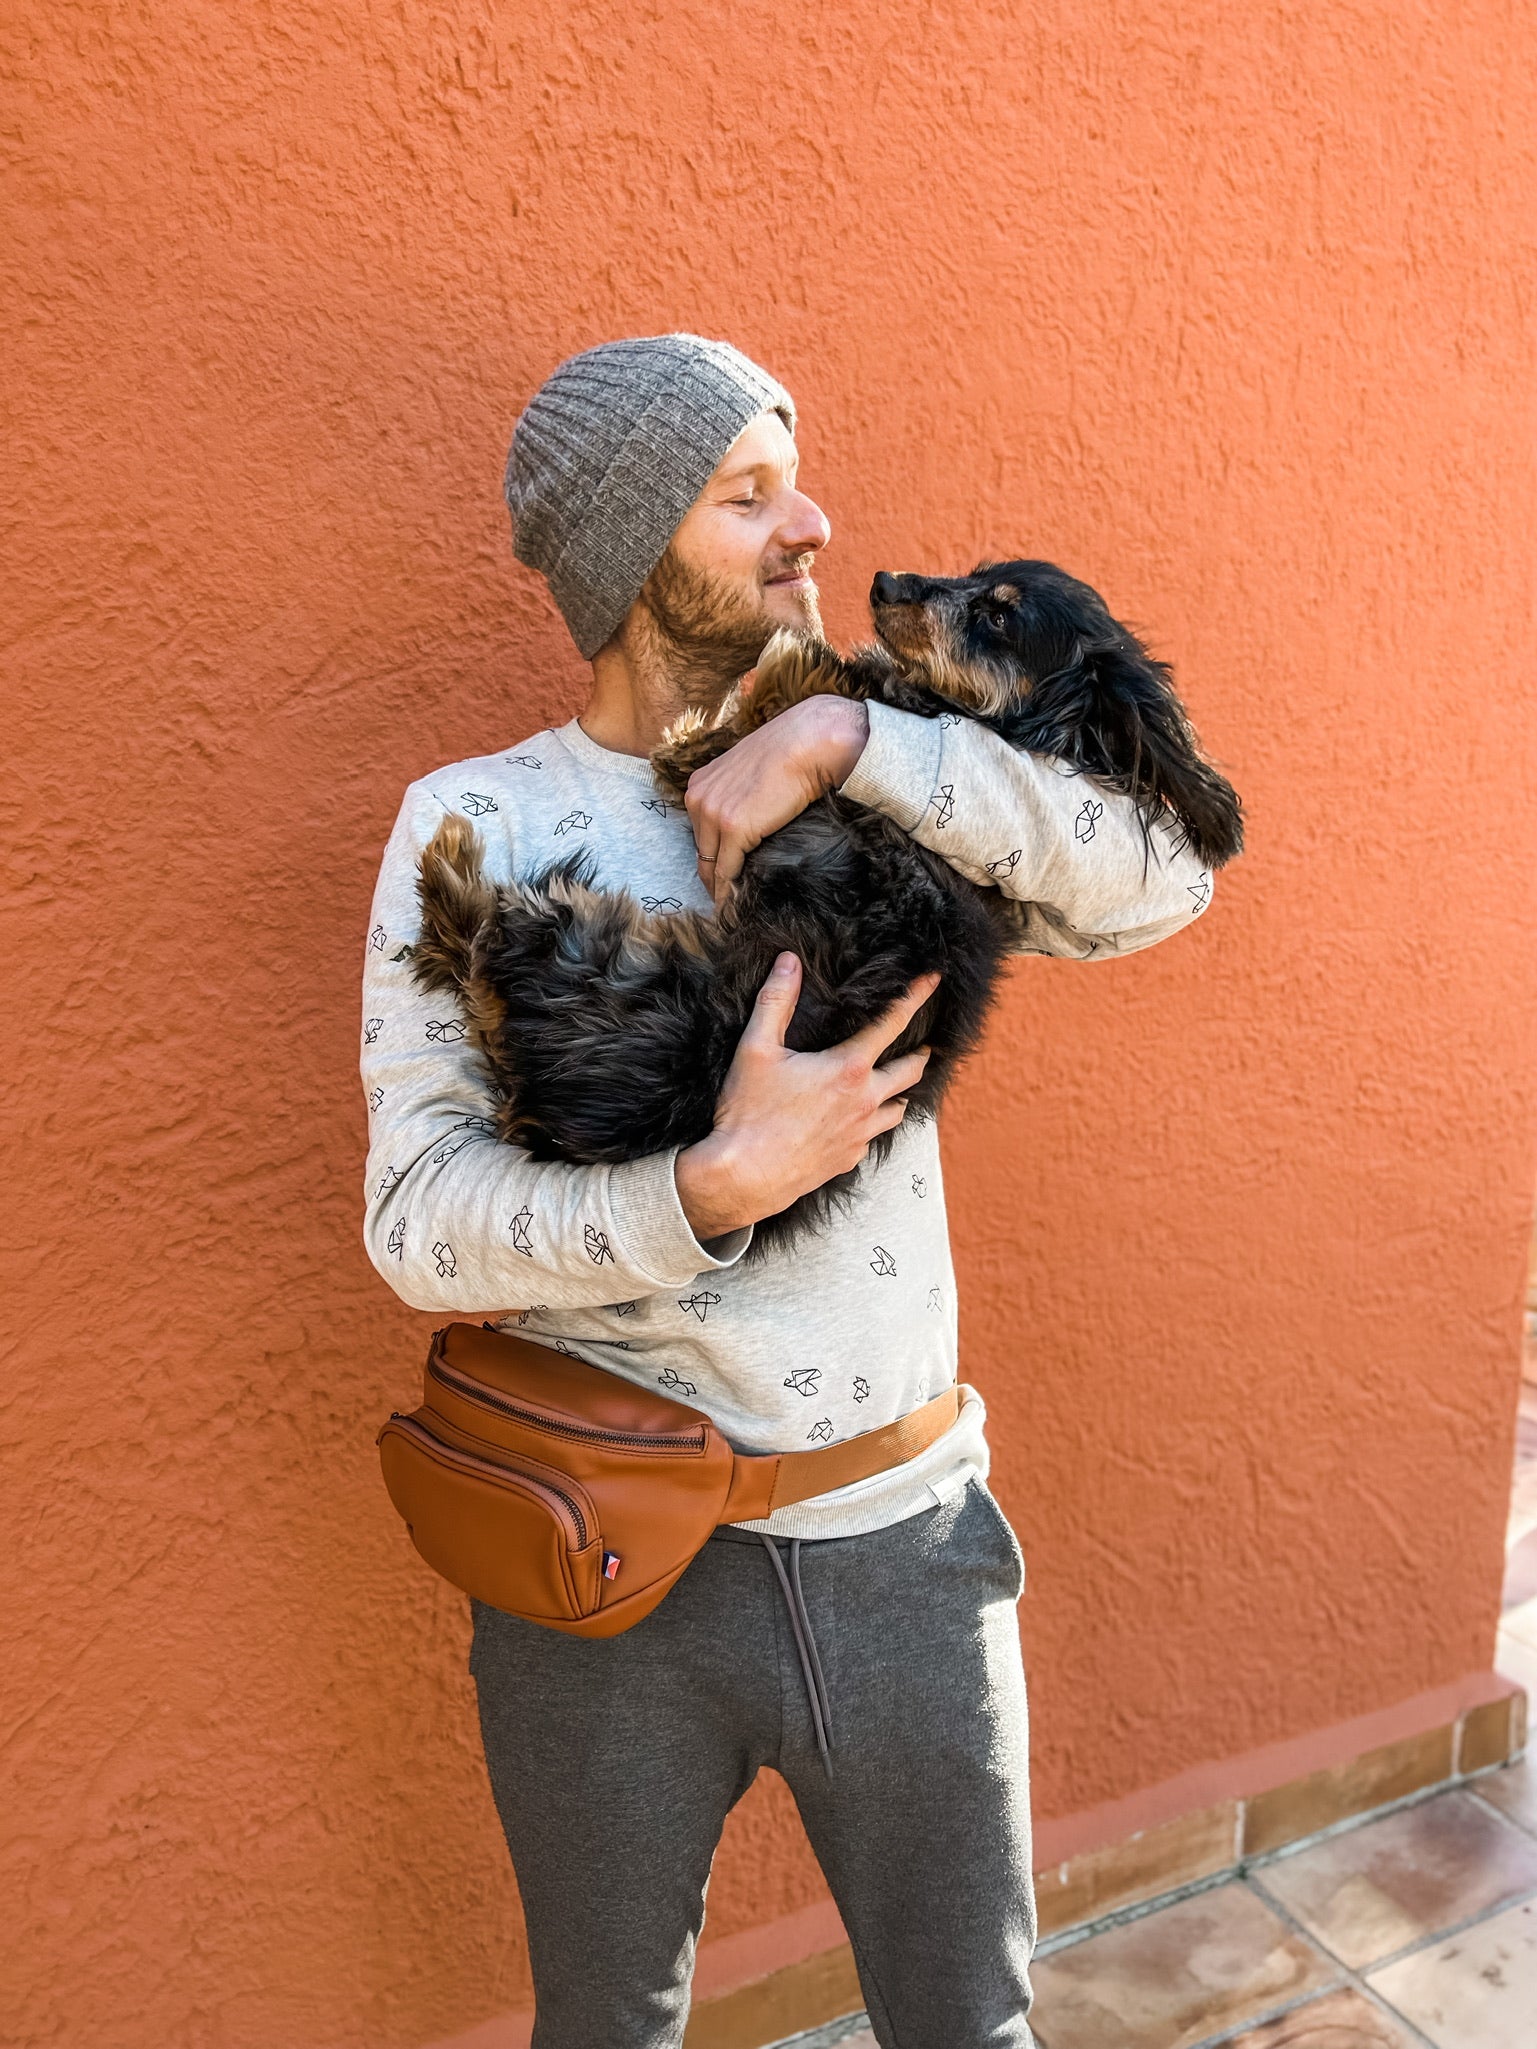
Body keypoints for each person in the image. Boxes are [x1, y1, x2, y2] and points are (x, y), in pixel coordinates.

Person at [360, 335, 1218, 2049]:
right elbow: (417, 1221)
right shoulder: (478, 820)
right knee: (604, 2025)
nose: (809, 522)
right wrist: (710, 1181)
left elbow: (1164, 877)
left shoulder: (899, 750)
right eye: (744, 493)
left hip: (902, 1537)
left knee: (970, 2026)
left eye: (794, 478)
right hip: (606, 1570)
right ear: (622, 553)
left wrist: (843, 737)